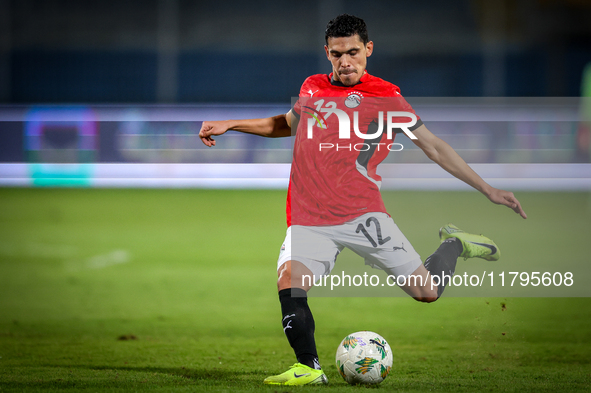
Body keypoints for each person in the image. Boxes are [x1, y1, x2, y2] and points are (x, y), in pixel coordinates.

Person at [199, 14, 527, 386]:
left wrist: (488, 189)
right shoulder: (312, 87)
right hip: (309, 218)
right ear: (327, 53)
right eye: (337, 54)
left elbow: (433, 146)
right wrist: (231, 124)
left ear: (368, 50)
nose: (345, 61)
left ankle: (454, 244)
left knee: (427, 292)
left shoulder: (386, 96)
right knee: (290, 283)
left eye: (353, 52)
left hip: (362, 215)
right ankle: (309, 367)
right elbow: (286, 124)